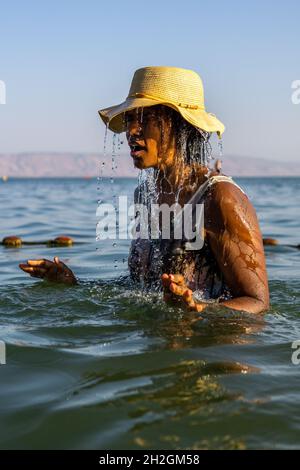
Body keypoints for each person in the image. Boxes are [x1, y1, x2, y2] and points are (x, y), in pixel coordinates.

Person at [19, 66, 269, 314]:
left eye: (146, 120)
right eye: (129, 120)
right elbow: (140, 289)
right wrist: (74, 285)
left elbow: (257, 303)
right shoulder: (145, 195)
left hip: (210, 348)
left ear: (180, 125)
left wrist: (200, 309)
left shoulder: (220, 198)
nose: (132, 131)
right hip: (157, 342)